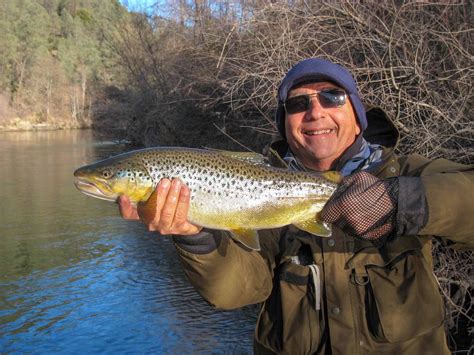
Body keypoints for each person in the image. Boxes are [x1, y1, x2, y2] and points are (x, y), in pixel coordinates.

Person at [118, 58, 474, 354]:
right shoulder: (256, 194)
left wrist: (402, 202)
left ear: (357, 113)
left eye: (332, 97)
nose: (315, 112)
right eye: (298, 104)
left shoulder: (408, 172)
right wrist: (191, 234)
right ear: (285, 123)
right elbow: (237, 291)